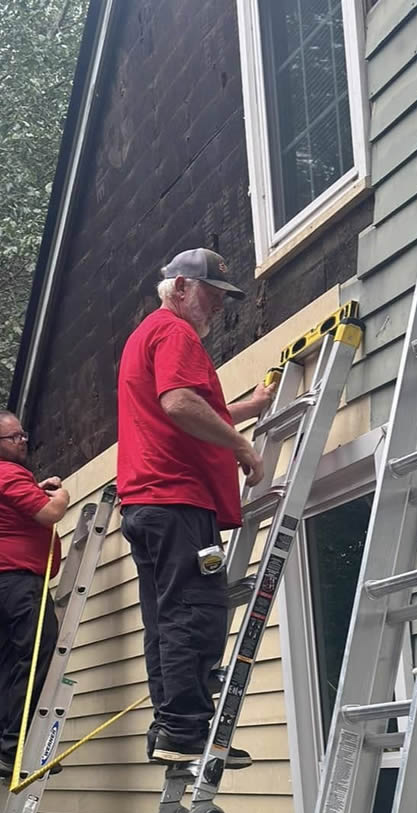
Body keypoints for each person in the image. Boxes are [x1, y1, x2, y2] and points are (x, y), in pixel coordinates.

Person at [117, 247, 276, 767]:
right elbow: (180, 404)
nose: (217, 306)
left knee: (166, 619)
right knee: (194, 613)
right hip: (176, 498)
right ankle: (186, 732)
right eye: (210, 293)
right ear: (180, 287)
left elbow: (187, 403)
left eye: (222, 298)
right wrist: (241, 444)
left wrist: (249, 407)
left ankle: (172, 728)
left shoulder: (149, 335)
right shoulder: (175, 332)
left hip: (149, 504)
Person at [0, 410, 70, 777]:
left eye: (23, 434)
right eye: (13, 437)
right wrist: (62, 494)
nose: (22, 440)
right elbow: (49, 513)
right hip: (17, 582)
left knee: (13, 662)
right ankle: (18, 747)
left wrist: (36, 490)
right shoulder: (5, 474)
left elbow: (20, 507)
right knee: (35, 654)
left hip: (0, 584)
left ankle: (5, 746)